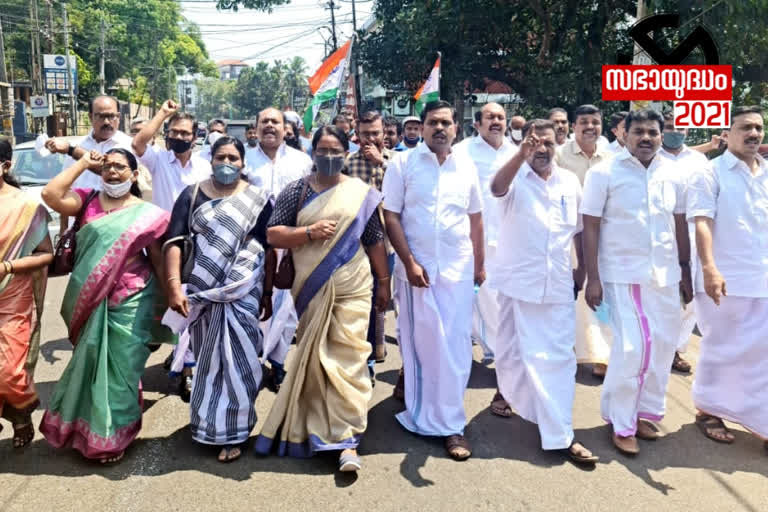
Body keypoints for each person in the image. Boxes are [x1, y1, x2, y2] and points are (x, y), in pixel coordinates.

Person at [254, 125, 390, 473]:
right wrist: (308, 233)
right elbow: (273, 234)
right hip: (311, 288)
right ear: (312, 153)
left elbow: (375, 241)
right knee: (317, 359)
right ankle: (315, 428)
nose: (329, 158)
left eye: (335, 151)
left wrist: (384, 283)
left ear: (346, 154)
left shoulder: (361, 193)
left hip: (354, 287)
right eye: (322, 151)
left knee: (348, 360)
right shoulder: (296, 191)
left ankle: (346, 441)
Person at [39, 148, 171, 464]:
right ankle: (84, 430)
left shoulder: (149, 214)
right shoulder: (86, 200)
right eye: (108, 166)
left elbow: (156, 259)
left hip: (132, 300)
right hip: (88, 298)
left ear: (134, 174)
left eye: (120, 167)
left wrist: (169, 301)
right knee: (89, 366)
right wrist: (84, 162)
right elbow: (50, 194)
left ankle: (113, 437)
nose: (112, 172)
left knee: (122, 371)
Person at [581, 109, 692, 455]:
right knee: (632, 349)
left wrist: (686, 270)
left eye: (653, 132)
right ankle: (621, 421)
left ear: (661, 136)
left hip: (665, 275)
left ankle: (643, 413)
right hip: (622, 274)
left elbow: (680, 222)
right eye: (639, 131)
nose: (646, 137)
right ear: (624, 135)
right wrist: (592, 278)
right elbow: (590, 225)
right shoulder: (604, 172)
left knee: (661, 347)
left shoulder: (673, 173)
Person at [489, 120, 597, 464]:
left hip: (558, 285)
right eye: (534, 143)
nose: (542, 149)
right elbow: (495, 187)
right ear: (525, 144)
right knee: (510, 355)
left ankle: (560, 434)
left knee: (558, 360)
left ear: (558, 143)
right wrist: (519, 155)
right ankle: (517, 399)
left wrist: (584, 270)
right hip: (518, 286)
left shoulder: (569, 182)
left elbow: (579, 230)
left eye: (548, 143)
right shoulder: (514, 177)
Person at [382, 100, 485, 461]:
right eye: (432, 123)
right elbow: (390, 216)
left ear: (457, 128)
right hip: (417, 273)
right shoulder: (402, 163)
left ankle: (452, 423)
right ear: (422, 128)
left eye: (446, 123)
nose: (439, 128)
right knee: (424, 346)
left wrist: (480, 265)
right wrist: (408, 262)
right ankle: (427, 417)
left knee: (456, 346)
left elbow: (475, 220)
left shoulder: (466, 167)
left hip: (457, 271)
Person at [164, 136, 275, 463]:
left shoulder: (257, 199)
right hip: (203, 291)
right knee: (209, 360)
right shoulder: (193, 194)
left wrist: (267, 292)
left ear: (243, 163)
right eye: (220, 157)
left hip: (244, 290)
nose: (227, 163)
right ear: (210, 160)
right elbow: (173, 242)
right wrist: (173, 287)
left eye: (233, 158)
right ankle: (207, 423)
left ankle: (235, 431)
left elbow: (269, 249)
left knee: (240, 358)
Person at [687, 105, 768, 449]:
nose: (754, 134)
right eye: (746, 127)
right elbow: (701, 220)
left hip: (762, 276)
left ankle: (759, 417)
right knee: (721, 348)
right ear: (728, 133)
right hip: (723, 277)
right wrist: (709, 267)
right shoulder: (711, 172)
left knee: (761, 352)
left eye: (759, 128)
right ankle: (708, 408)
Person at [132, 100, 212, 399]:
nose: (179, 137)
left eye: (184, 132)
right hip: (165, 245)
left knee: (195, 303)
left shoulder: (205, 166)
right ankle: (185, 366)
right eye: (174, 132)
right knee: (173, 302)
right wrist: (163, 113)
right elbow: (138, 142)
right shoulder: (158, 161)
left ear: (195, 136)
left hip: (199, 244)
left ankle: (189, 363)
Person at [454, 102, 517, 417]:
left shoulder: (516, 152)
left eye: (500, 117)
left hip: (506, 241)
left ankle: (497, 353)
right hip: (468, 239)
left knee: (496, 301)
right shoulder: (462, 152)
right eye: (490, 117)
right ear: (476, 123)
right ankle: (462, 356)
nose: (496, 121)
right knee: (468, 300)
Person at [243, 107, 313, 389]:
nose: (270, 126)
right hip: (251, 244)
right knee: (252, 303)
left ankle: (279, 363)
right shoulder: (244, 160)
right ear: (256, 127)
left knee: (287, 309)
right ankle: (250, 361)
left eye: (276, 121)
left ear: (287, 129)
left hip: (289, 245)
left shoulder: (302, 162)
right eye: (264, 121)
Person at [0, 138, 53, 449]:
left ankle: (21, 414)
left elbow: (46, 254)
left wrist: (7, 266)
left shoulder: (26, 206)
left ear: (6, 166)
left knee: (8, 372)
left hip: (12, 299)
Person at [555, 104, 614, 378]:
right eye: (584, 122)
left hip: (604, 234)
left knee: (600, 294)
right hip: (567, 235)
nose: (590, 127)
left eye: (595, 122)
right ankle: (566, 347)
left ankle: (603, 354)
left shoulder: (611, 156)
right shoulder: (559, 156)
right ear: (574, 127)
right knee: (572, 292)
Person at [658, 111, 709, 374]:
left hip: (696, 233)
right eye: (669, 127)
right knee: (664, 293)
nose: (675, 131)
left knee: (692, 299)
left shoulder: (699, 160)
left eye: (680, 127)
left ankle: (676, 350)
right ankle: (658, 347)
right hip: (662, 235)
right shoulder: (652, 157)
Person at [343, 110, 394, 372]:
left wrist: (381, 163)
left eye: (375, 133)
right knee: (361, 301)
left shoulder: (397, 162)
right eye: (365, 134)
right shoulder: (349, 163)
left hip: (389, 244)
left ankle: (377, 352)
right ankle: (365, 361)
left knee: (382, 300)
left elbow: (407, 188)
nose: (370, 139)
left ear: (384, 133)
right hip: (357, 247)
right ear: (357, 136)